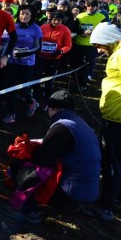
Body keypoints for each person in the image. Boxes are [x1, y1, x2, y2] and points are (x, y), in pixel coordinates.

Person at [7, 90, 109, 222]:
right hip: (89, 192)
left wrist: (29, 150)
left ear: (53, 108)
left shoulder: (61, 127)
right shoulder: (80, 123)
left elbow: (42, 159)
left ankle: (27, 209)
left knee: (22, 163)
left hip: (70, 193)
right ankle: (78, 204)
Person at [90, 23, 121, 214]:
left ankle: (106, 205)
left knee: (112, 161)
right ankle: (115, 195)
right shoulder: (116, 53)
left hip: (117, 117)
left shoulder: (119, 56)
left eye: (100, 45)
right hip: (113, 113)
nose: (99, 50)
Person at [2, 5, 42, 124]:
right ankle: (11, 113)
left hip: (27, 63)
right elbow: (8, 42)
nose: (24, 16)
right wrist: (5, 55)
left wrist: (26, 53)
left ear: (32, 16)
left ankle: (31, 101)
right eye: (22, 14)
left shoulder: (36, 28)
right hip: (12, 62)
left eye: (27, 14)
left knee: (24, 89)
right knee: (11, 88)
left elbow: (38, 47)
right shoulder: (14, 26)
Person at [35, 11, 72, 109]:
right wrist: (37, 48)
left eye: (59, 20)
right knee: (36, 78)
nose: (56, 22)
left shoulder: (65, 30)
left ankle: (47, 101)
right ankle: (35, 99)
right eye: (54, 19)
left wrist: (60, 52)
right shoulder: (43, 27)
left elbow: (68, 45)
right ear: (51, 19)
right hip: (41, 57)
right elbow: (37, 38)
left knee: (49, 80)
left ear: (62, 20)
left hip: (54, 59)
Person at [74, 0, 106, 86]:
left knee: (89, 64)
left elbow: (104, 30)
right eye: (88, 6)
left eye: (93, 6)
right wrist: (82, 33)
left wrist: (94, 33)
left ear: (96, 7)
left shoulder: (101, 17)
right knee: (78, 64)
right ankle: (78, 81)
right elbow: (75, 28)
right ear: (86, 6)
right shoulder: (80, 16)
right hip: (79, 44)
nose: (90, 8)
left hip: (92, 45)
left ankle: (87, 79)